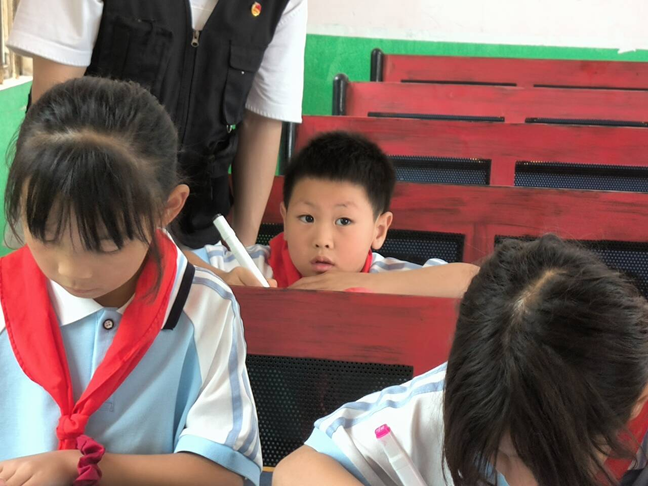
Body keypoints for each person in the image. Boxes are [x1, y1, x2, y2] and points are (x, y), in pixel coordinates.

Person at [0, 77, 261, 486]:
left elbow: (224, 474)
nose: (72, 269)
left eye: (104, 242)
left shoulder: (204, 308)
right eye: (46, 235)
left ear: (167, 208)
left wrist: (79, 467)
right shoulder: (5, 295)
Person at [273, 235, 648, 486]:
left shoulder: (618, 382)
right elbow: (299, 470)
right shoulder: (472, 398)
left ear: (636, 401)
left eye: (546, 461)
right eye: (501, 455)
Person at [7, 0, 307, 248]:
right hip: (88, 223)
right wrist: (50, 233)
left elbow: (262, 121)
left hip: (204, 235)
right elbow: (52, 121)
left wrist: (241, 248)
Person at [199, 131, 479, 295]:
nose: (322, 240)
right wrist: (220, 279)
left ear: (379, 230)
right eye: (307, 218)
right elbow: (177, 256)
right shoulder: (253, 267)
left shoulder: (384, 277)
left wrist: (360, 283)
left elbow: (473, 280)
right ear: (284, 218)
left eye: (344, 221)